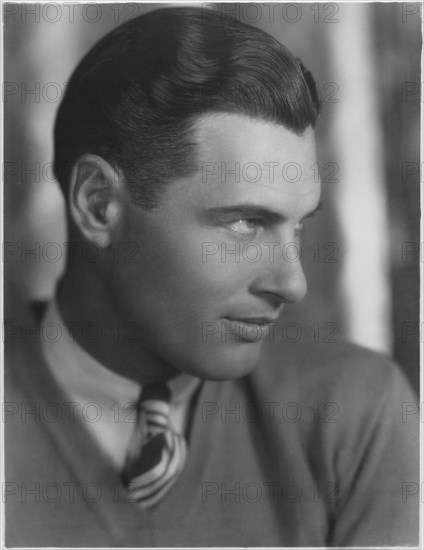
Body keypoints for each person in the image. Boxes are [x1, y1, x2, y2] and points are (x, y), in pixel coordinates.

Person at [4, 6, 419, 547]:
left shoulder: (353, 415)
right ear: (98, 203)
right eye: (246, 223)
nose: (292, 285)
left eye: (297, 227)